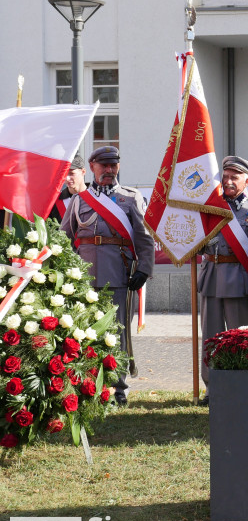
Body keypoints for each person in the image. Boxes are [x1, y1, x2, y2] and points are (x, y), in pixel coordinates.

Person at [60, 145, 155, 405]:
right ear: (92, 168)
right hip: (85, 282)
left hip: (119, 276)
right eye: (104, 165)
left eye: (113, 165)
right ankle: (90, 388)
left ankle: (118, 390)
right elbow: (64, 237)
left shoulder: (131, 197)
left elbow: (144, 238)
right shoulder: (80, 200)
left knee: (118, 336)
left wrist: (145, 269)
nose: (109, 170)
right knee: (86, 334)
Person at [197, 156, 248, 406]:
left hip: (240, 280)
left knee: (238, 337)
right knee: (210, 337)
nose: (228, 181)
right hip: (211, 278)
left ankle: (240, 384)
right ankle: (213, 388)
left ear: (246, 181)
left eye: (234, 177)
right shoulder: (209, 206)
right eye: (225, 176)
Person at [49, 152, 87, 221]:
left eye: (72, 173)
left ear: (83, 172)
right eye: (64, 174)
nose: (67, 178)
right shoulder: (55, 203)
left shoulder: (96, 198)